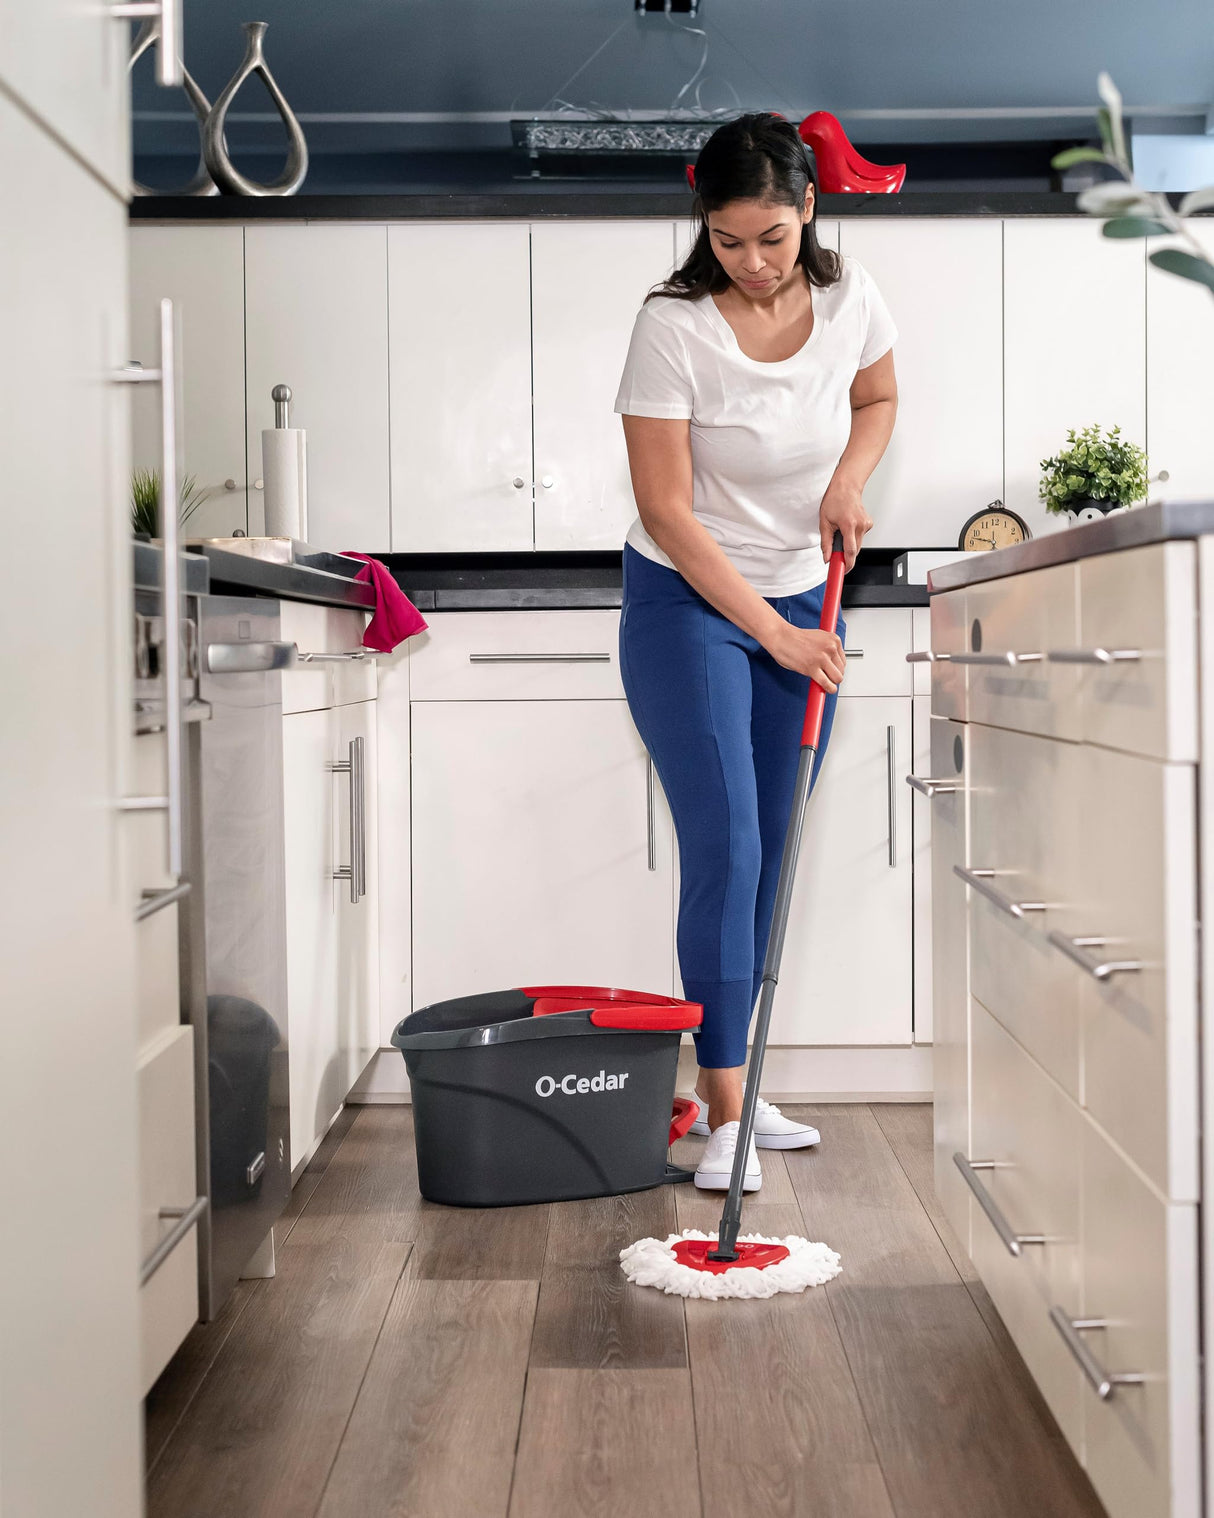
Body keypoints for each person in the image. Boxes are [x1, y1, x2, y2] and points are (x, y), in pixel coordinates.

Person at [614, 112, 898, 1192]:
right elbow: (667, 510)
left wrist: (847, 480)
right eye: (728, 239)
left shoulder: (850, 293)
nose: (754, 260)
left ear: (807, 209)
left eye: (773, 236)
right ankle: (725, 1115)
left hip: (803, 592)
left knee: (771, 853)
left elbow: (876, 396)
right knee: (727, 846)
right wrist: (773, 631)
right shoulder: (672, 324)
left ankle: (735, 1078)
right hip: (687, 601)